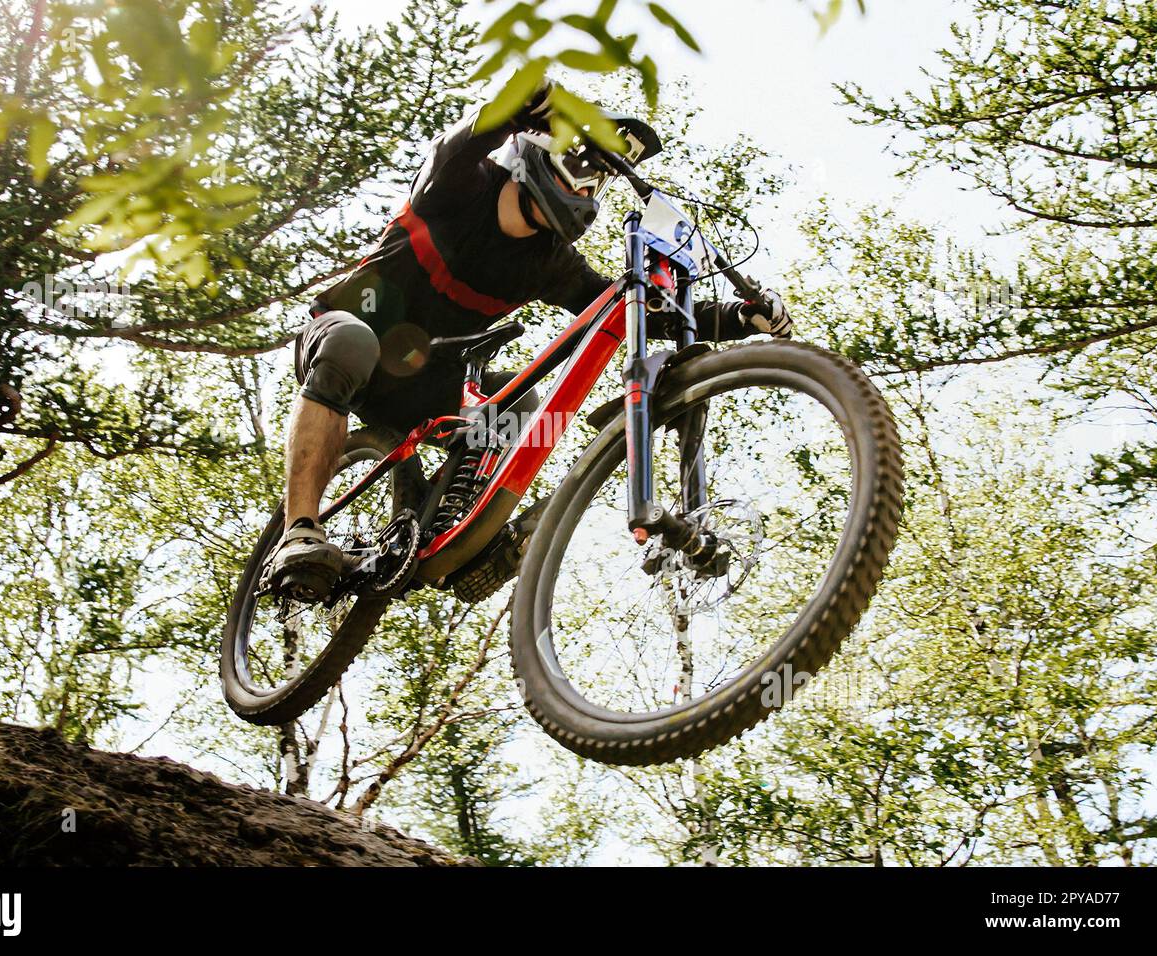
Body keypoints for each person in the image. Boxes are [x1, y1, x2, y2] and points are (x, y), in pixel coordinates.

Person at [267, 84, 792, 598]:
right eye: (583, 170)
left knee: (523, 402)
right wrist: (519, 104)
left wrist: (740, 318)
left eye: (598, 185)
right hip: (344, 335)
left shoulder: (548, 263)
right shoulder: (460, 186)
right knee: (354, 339)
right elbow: (467, 138)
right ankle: (300, 530)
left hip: (425, 386)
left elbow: (633, 309)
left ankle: (467, 535)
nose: (587, 192)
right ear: (543, 151)